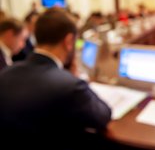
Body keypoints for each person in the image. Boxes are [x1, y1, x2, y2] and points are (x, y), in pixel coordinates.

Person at [0, 8, 111, 149]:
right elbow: (103, 116)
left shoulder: (5, 73)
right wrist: (78, 81)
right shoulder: (69, 85)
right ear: (69, 40)